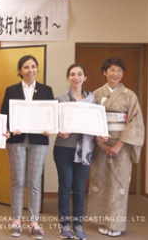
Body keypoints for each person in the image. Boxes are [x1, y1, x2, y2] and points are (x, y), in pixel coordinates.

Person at [86, 57, 145, 237]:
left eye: (119, 70)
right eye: (111, 70)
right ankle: (104, 221)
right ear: (105, 73)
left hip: (122, 145)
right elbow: (89, 119)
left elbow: (135, 121)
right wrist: (100, 142)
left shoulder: (129, 95)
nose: (115, 74)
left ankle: (116, 225)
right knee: (100, 182)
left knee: (119, 184)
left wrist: (119, 144)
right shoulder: (96, 94)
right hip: (101, 143)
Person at [0, 55, 54, 239]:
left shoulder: (46, 90)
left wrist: (50, 128)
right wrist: (8, 129)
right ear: (20, 70)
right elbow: (4, 116)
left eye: (33, 66)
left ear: (37, 68)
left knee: (34, 182)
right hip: (17, 141)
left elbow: (50, 116)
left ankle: (34, 223)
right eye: (26, 67)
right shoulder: (11, 90)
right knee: (17, 181)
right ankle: (16, 221)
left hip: (39, 141)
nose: (30, 70)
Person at [53, 64, 96, 240]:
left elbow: (96, 122)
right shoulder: (60, 98)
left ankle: (78, 224)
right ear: (68, 77)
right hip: (63, 147)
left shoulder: (93, 100)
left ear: (85, 77)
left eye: (80, 74)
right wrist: (58, 130)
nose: (76, 77)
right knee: (65, 187)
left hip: (85, 149)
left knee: (79, 188)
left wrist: (100, 134)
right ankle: (64, 224)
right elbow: (52, 121)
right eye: (72, 74)